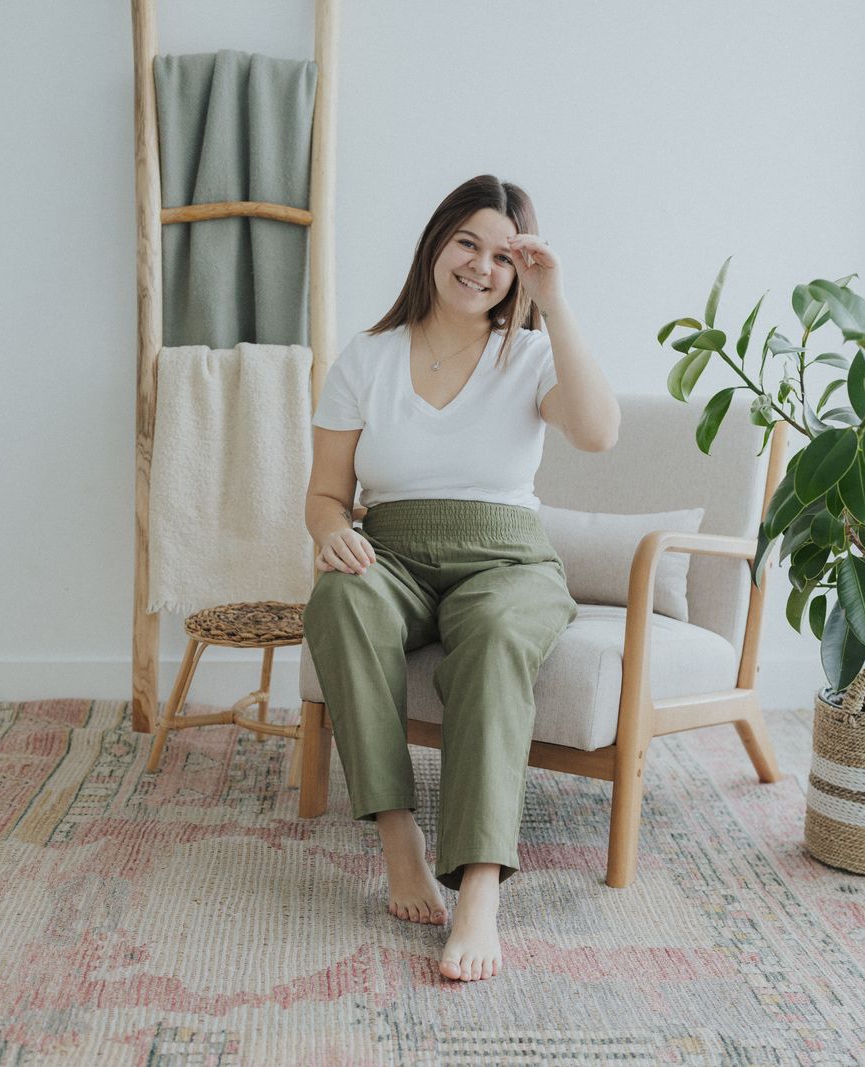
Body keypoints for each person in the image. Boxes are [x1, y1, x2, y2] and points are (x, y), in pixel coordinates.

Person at [302, 174, 619, 982]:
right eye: (466, 244)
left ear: (521, 271)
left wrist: (557, 301)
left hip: (508, 558)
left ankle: (480, 887)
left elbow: (599, 431)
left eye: (503, 256)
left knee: (499, 635)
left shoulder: (536, 354)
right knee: (341, 598)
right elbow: (326, 493)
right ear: (436, 245)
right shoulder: (367, 357)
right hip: (394, 553)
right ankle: (398, 834)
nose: (481, 266)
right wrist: (333, 531)